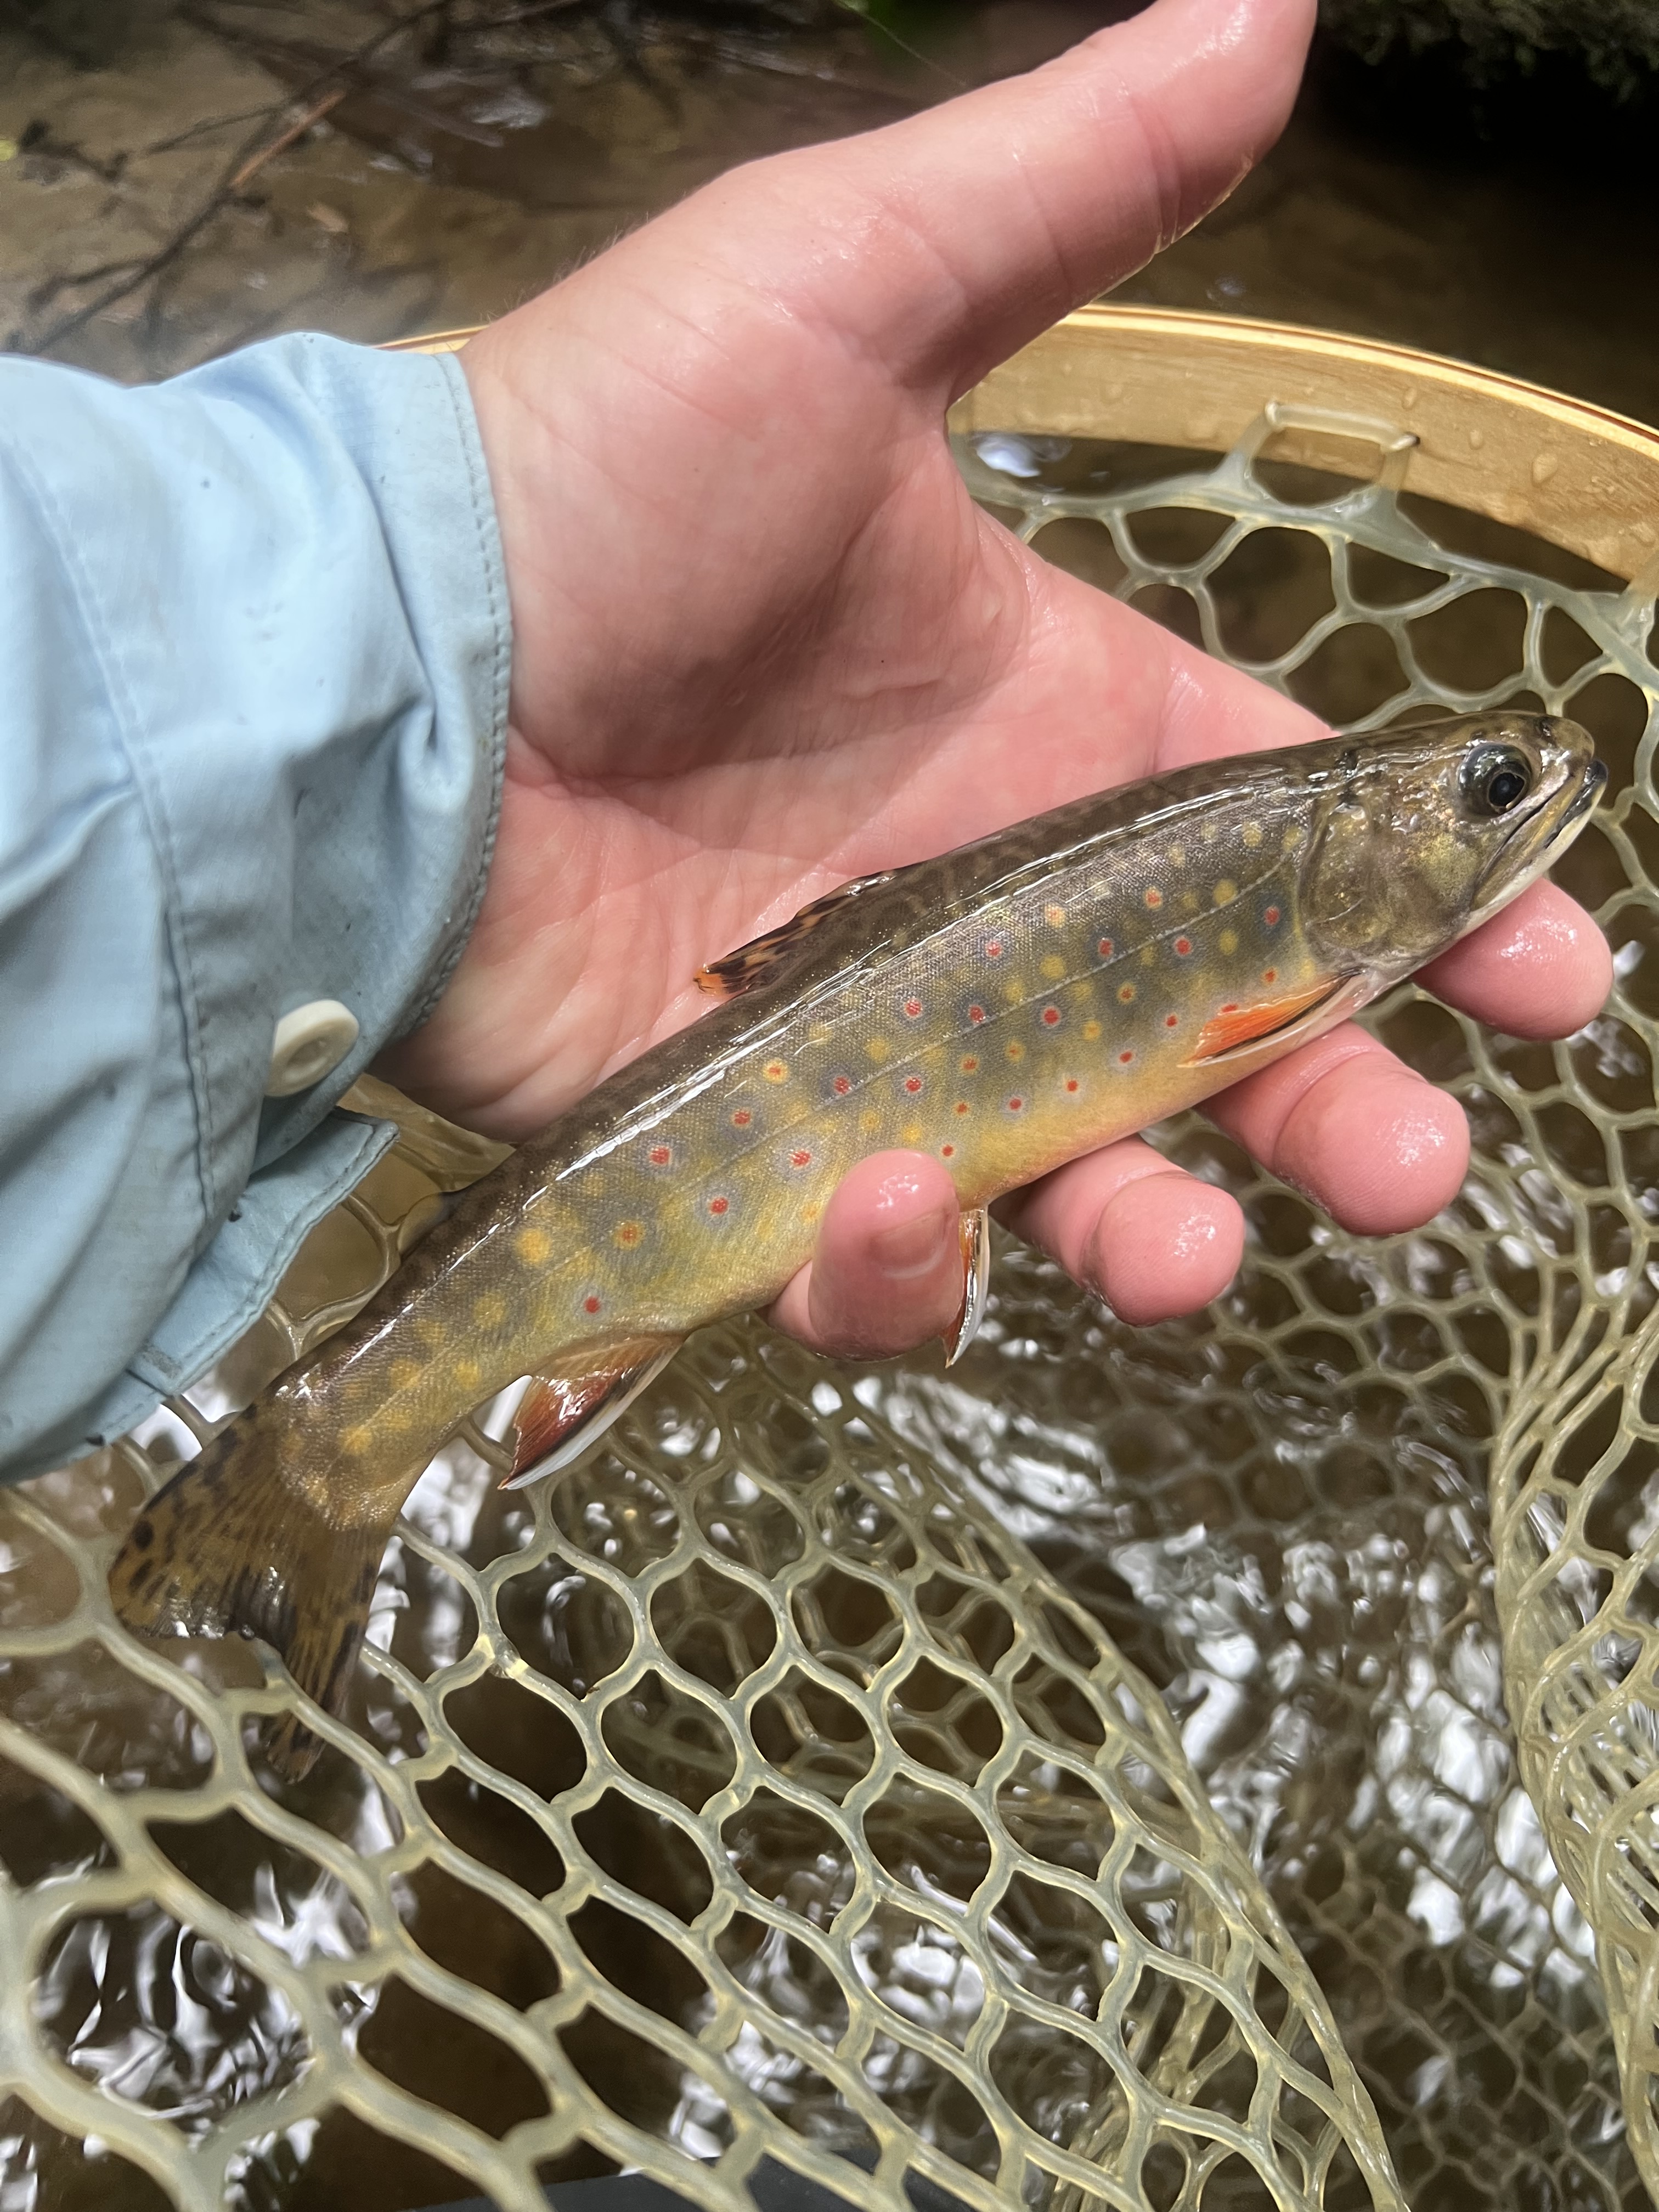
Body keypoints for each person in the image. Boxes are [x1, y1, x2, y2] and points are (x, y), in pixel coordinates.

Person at [0, 0, 1610, 1486]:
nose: (1528, 791)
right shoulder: (1281, 924)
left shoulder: (1299, 920)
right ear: (1351, 853)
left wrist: (419, 666)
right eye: (1489, 790)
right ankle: (322, 1462)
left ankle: (329, 1449)